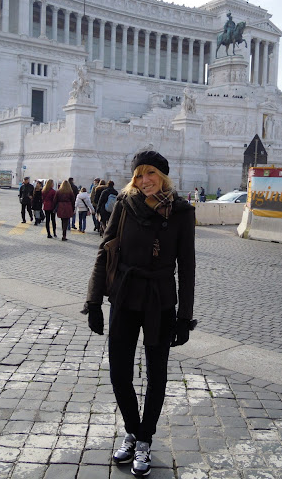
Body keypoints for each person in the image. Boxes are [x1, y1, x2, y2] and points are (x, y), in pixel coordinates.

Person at [85, 150, 196, 477]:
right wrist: (94, 301)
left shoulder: (181, 212)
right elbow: (105, 251)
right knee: (119, 373)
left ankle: (145, 439)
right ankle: (133, 430)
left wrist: (184, 317)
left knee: (156, 375)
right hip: (124, 295)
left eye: (151, 174)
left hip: (160, 301)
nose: (145, 181)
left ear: (163, 177)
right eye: (139, 175)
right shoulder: (124, 204)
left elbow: (187, 269)